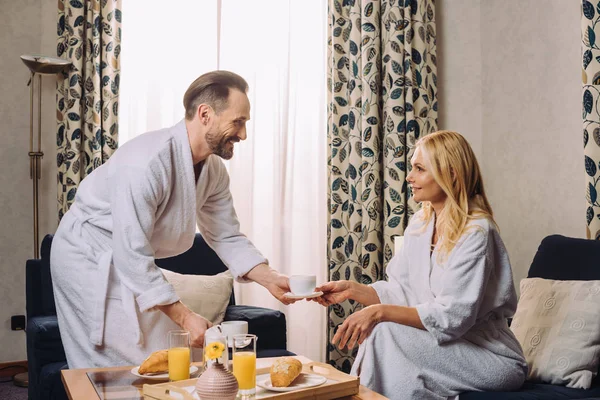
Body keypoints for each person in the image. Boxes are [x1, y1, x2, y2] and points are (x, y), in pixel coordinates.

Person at [50, 70, 294, 369]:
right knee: (117, 357)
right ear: (205, 114)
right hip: (86, 255)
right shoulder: (146, 162)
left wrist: (270, 278)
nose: (243, 134)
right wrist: (186, 316)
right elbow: (131, 249)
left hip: (129, 255)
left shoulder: (213, 171)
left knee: (165, 351)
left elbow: (226, 235)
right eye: (238, 122)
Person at [313, 131, 527, 399]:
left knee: (385, 330)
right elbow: (401, 291)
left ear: (450, 174)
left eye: (419, 168)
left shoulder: (477, 232)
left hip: (490, 357)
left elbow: (452, 316)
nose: (409, 177)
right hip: (446, 346)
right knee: (386, 333)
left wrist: (379, 313)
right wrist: (353, 289)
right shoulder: (420, 224)